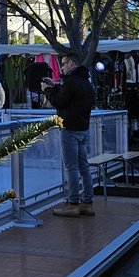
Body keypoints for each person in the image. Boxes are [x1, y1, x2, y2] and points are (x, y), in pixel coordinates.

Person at [42, 53, 96, 217]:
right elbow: (71, 97)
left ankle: (72, 203)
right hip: (82, 128)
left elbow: (60, 102)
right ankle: (87, 202)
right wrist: (56, 86)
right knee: (84, 167)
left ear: (71, 63)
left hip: (70, 129)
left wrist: (48, 91)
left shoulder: (71, 81)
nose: (62, 67)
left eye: (64, 64)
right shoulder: (85, 81)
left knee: (71, 167)